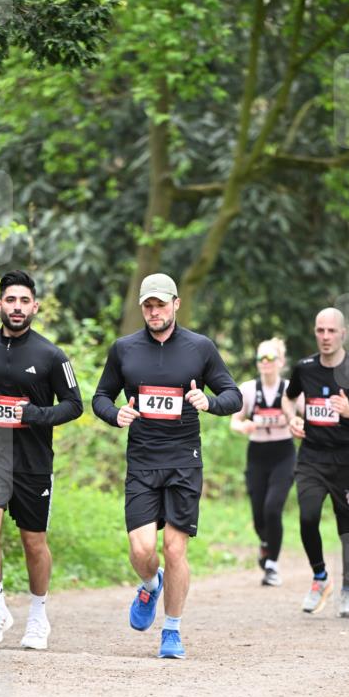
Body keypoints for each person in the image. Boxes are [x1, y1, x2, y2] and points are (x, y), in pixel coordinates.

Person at [92, 273, 242, 659]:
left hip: (183, 462)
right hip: (142, 461)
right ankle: (149, 583)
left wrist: (210, 403)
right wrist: (115, 413)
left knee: (175, 550)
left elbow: (233, 395)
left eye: (160, 304)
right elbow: (101, 396)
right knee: (142, 549)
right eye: (148, 306)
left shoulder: (200, 348)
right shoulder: (124, 349)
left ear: (176, 304)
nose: (154, 312)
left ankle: (172, 630)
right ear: (142, 308)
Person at [0, 270, 83, 650]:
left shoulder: (51, 355)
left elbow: (75, 405)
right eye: (10, 300)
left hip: (33, 460)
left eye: (24, 301)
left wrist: (35, 416)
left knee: (33, 541)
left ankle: (38, 617)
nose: (17, 307)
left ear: (35, 307)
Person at [282, 308, 349, 617]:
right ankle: (319, 577)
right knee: (308, 517)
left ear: (343, 334)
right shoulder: (305, 368)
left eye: (331, 331)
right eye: (320, 331)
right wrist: (292, 419)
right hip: (312, 455)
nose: (325, 337)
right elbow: (289, 398)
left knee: (347, 528)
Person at [230, 338, 297, 587]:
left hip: (284, 454)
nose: (265, 363)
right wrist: (243, 426)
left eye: (270, 358)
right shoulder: (248, 389)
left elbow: (305, 416)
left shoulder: (291, 389)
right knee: (259, 514)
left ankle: (272, 566)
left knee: (272, 508)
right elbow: (234, 421)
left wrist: (298, 423)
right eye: (261, 359)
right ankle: (266, 544)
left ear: (280, 362)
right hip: (257, 454)